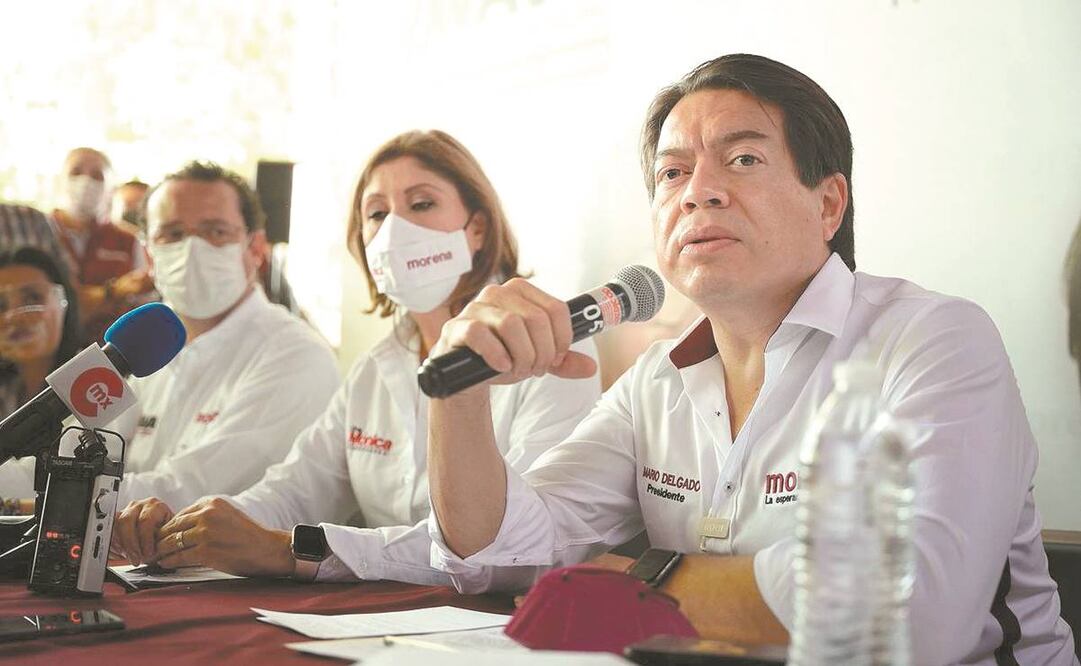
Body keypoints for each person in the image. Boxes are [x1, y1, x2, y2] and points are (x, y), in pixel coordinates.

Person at [421, 54, 1077, 665]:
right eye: (672, 173)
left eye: (741, 159)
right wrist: (460, 392)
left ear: (828, 204)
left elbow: (910, 614)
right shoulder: (656, 380)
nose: (697, 192)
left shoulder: (933, 338)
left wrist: (644, 581)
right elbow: (497, 554)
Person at [111, 130, 601, 585]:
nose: (395, 230)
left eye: (421, 204)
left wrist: (294, 551)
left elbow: (515, 548)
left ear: (476, 228)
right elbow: (295, 489)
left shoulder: (547, 345)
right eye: (377, 214)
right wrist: (189, 530)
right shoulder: (376, 368)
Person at [0, 247, 81, 513]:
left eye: (33, 298)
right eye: (1, 306)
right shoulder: (6, 388)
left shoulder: (92, 381)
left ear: (64, 304)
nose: (14, 316)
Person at [52, 148, 155, 342]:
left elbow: (142, 307)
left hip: (110, 351)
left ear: (112, 188)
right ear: (59, 181)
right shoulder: (39, 232)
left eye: (97, 176)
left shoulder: (129, 240)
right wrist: (115, 291)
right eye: (76, 172)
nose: (85, 182)